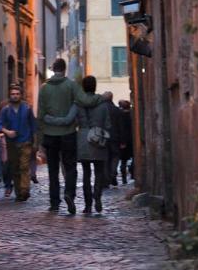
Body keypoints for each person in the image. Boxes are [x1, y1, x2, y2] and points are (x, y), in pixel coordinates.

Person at [37, 58, 108, 215]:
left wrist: (40, 138)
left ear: (53, 69)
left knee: (53, 170)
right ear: (64, 69)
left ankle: (54, 202)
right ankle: (69, 193)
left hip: (50, 134)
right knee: (70, 168)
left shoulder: (43, 88)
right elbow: (86, 100)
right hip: (68, 134)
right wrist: (102, 97)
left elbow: (40, 114)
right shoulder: (71, 85)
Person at [0, 84, 36, 202]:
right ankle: (19, 192)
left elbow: (33, 125)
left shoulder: (27, 108)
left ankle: (25, 190)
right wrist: (7, 132)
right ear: (10, 95)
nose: (15, 96)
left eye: (17, 94)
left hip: (25, 141)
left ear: (21, 95)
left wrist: (35, 142)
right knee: (15, 168)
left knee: (24, 166)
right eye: (13, 94)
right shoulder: (5, 110)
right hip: (11, 143)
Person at [105, 92, 123, 187]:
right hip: (115, 137)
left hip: (104, 137)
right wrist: (122, 140)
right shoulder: (116, 110)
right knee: (115, 157)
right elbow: (120, 126)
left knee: (106, 157)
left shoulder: (102, 109)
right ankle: (113, 174)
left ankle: (107, 177)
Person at [117, 99, 134, 184]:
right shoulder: (132, 115)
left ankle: (124, 178)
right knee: (133, 158)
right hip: (132, 140)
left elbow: (121, 129)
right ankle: (132, 174)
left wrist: (122, 141)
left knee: (123, 160)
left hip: (124, 140)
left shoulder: (120, 116)